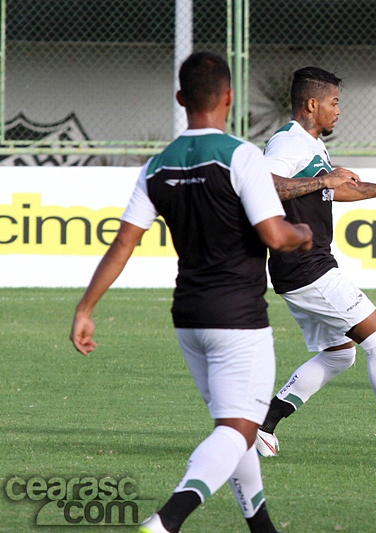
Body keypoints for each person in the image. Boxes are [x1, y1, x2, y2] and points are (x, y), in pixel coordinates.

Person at [69, 52, 313, 533]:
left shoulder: (158, 166)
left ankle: (262, 527)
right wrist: (302, 233)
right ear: (228, 98)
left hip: (189, 317)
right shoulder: (240, 155)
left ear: (181, 99)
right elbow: (275, 236)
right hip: (239, 317)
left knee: (234, 426)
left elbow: (123, 244)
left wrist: (86, 307)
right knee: (238, 428)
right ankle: (165, 522)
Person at [255, 66, 376, 458]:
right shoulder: (288, 143)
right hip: (306, 265)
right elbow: (264, 187)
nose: (338, 110)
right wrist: (323, 181)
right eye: (334, 102)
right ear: (312, 105)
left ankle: (263, 426)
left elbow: (329, 192)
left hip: (304, 266)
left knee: (340, 354)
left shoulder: (310, 144)